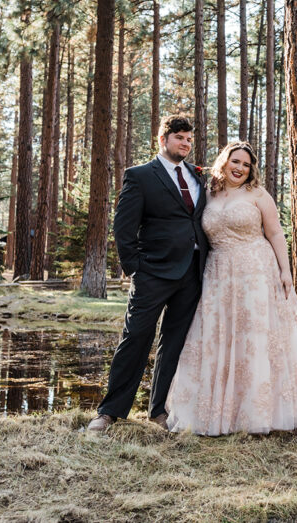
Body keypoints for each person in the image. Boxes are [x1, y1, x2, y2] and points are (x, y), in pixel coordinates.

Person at [166, 141, 297, 436]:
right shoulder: (210, 194)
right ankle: (220, 412)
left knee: (255, 339)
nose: (240, 168)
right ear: (224, 162)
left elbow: (276, 233)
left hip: (256, 272)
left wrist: (285, 271)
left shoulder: (258, 195)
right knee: (221, 337)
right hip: (218, 275)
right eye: (236, 161)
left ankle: (259, 411)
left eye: (246, 164)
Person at [87, 115, 210, 432]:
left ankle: (158, 411)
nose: (185, 143)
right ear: (163, 139)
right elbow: (123, 228)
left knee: (174, 344)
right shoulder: (140, 176)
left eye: (188, 139)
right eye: (179, 137)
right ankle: (110, 411)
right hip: (152, 273)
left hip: (192, 274)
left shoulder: (197, 177)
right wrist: (136, 270)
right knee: (136, 338)